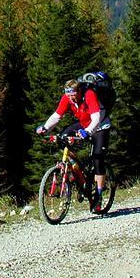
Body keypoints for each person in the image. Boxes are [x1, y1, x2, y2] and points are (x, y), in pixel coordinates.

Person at [36, 78, 110, 211]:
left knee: (98, 158)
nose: (71, 97)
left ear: (79, 91)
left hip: (100, 126)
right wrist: (45, 128)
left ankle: (98, 195)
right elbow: (57, 116)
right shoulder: (67, 98)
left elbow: (96, 117)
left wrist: (87, 132)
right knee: (62, 137)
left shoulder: (89, 95)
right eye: (68, 94)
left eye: (73, 94)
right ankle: (75, 167)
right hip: (83, 125)